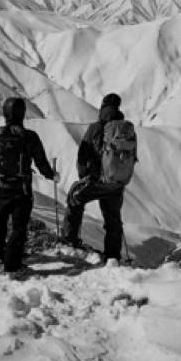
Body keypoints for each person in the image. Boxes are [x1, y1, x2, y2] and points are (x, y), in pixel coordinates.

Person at [0, 96, 56, 273]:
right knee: (19, 227)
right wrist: (51, 175)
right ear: (22, 114)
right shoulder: (29, 137)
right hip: (22, 190)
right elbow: (41, 162)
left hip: (1, 189)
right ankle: (12, 264)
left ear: (5, 114)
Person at [61, 93, 136, 262]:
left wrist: (85, 177)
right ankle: (113, 256)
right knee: (113, 219)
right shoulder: (127, 130)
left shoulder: (95, 128)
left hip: (95, 181)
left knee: (74, 199)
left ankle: (69, 240)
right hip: (116, 182)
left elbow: (83, 156)